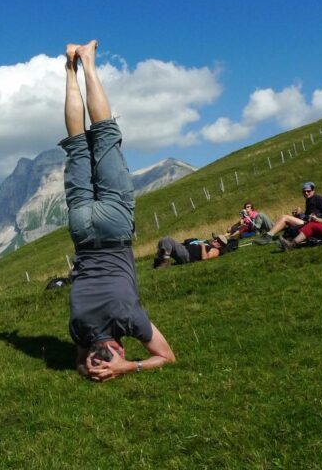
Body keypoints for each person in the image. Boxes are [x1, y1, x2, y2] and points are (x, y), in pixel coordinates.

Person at [61, 40, 175, 382]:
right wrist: (90, 366)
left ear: (122, 348)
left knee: (105, 134)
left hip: (114, 230)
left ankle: (89, 63)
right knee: (78, 147)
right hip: (81, 231)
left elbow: (166, 356)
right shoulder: (78, 329)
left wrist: (129, 367)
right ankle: (70, 68)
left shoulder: (130, 320)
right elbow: (83, 358)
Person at [253, 182, 322, 245]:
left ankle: (268, 236)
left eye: (308, 191)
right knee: (286, 220)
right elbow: (307, 216)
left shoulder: (318, 198)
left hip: (315, 223)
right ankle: (270, 235)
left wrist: (317, 217)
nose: (306, 193)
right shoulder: (308, 201)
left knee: (284, 217)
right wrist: (300, 214)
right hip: (308, 222)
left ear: (313, 191)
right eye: (304, 191)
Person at [153, 234, 229, 268]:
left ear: (220, 245)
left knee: (167, 239)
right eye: (216, 239)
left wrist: (202, 246)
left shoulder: (215, 250)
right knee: (162, 241)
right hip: (184, 250)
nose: (215, 240)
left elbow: (205, 258)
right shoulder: (209, 244)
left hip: (188, 255)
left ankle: (164, 261)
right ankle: (160, 261)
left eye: (217, 240)